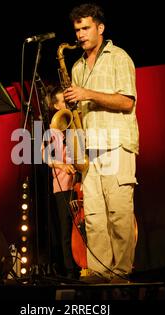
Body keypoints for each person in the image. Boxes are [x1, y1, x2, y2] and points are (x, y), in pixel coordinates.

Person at [63, 3, 139, 283]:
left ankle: (121, 274)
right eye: (77, 29)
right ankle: (99, 271)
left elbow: (127, 101)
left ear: (100, 28)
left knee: (119, 213)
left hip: (116, 144)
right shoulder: (77, 66)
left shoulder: (119, 57)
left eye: (85, 28)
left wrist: (87, 93)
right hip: (89, 149)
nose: (80, 34)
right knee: (93, 215)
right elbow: (77, 114)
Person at [43, 86, 80, 280]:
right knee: (67, 231)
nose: (67, 104)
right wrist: (61, 165)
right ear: (56, 106)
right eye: (64, 102)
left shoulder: (76, 123)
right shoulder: (54, 129)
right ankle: (71, 272)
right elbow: (45, 157)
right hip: (63, 187)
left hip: (80, 185)